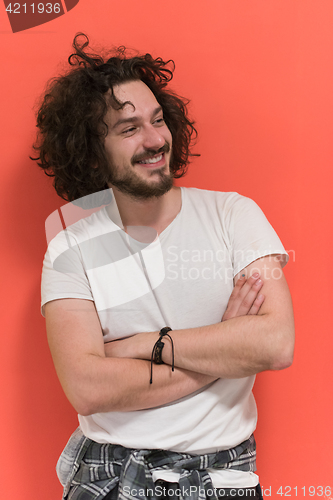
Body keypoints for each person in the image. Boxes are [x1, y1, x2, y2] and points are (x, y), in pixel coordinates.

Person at [33, 33, 294, 500]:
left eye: (158, 120)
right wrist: (223, 351)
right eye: (129, 128)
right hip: (108, 474)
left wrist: (140, 346)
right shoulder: (69, 247)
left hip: (224, 475)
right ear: (93, 150)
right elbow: (88, 388)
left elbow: (274, 344)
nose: (156, 140)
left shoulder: (236, 215)